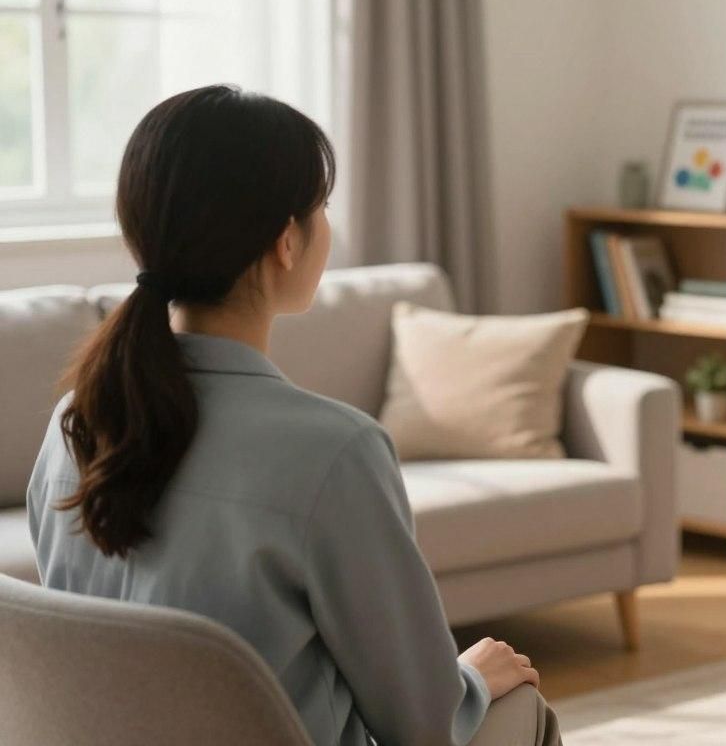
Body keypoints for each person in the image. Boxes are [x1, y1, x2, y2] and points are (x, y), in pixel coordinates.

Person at [26, 85, 561, 746]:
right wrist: (473, 678)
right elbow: (424, 724)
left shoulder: (72, 424)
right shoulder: (336, 451)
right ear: (286, 241)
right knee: (523, 707)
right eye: (323, 206)